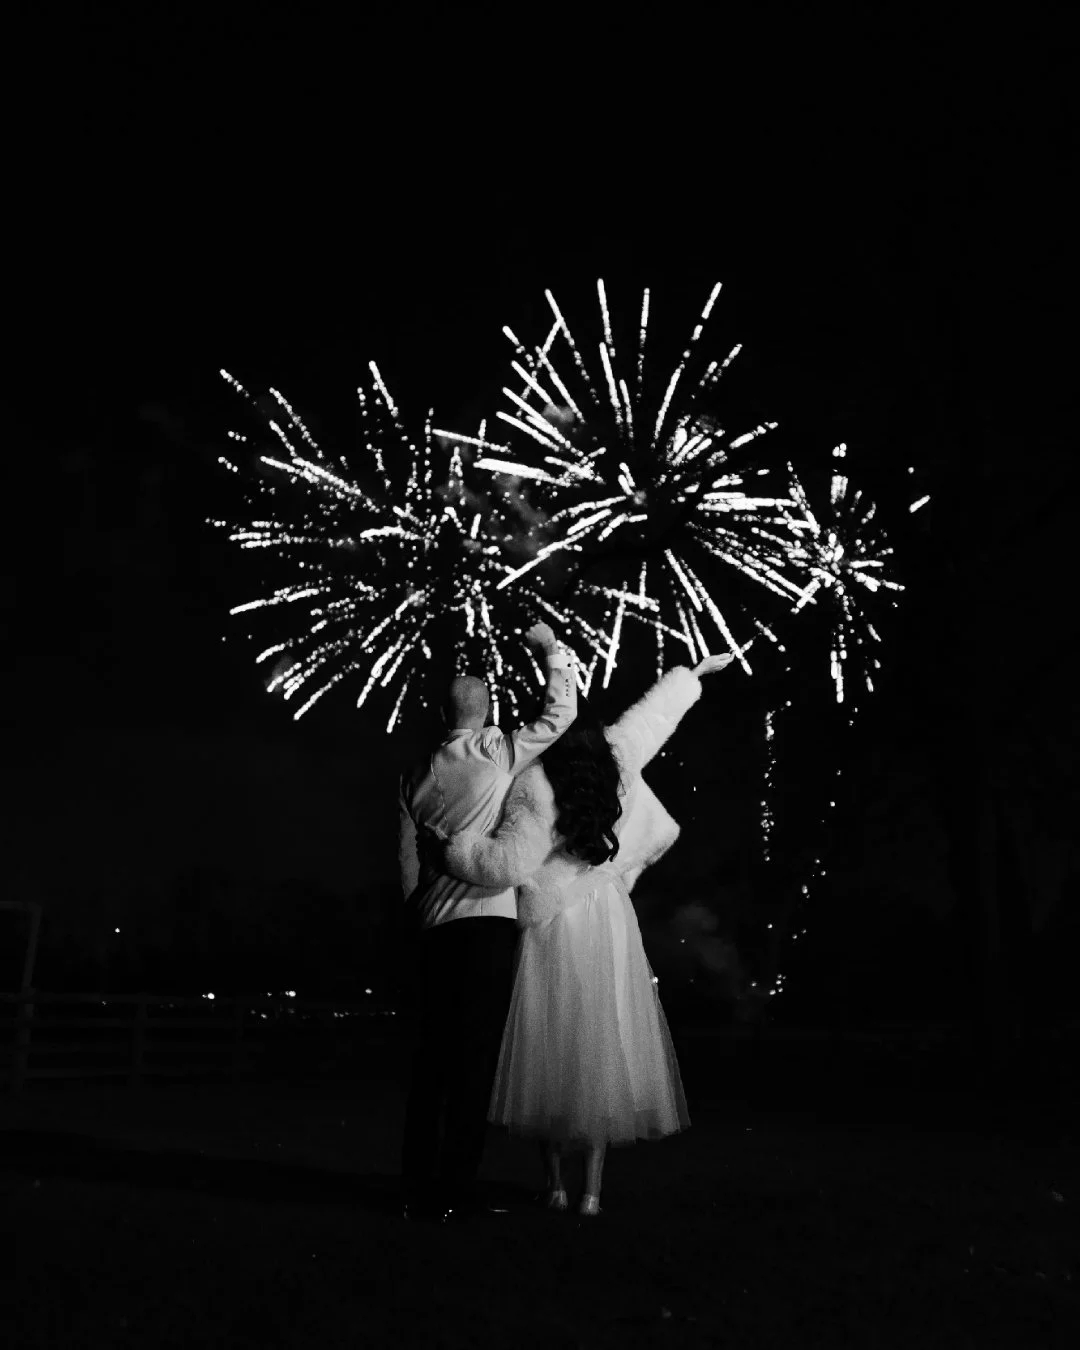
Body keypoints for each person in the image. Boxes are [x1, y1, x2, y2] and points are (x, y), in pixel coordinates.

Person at [440, 652, 736, 1216]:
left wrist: (456, 850)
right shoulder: (617, 761)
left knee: (550, 1047)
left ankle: (553, 1185)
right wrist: (690, 678)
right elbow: (652, 722)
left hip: (555, 919)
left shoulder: (533, 784)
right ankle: (592, 1193)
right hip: (606, 914)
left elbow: (506, 863)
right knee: (601, 1040)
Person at [397, 621, 576, 1221]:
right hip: (485, 927)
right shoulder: (496, 751)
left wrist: (416, 917)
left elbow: (404, 866)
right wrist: (549, 649)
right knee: (475, 1063)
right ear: (487, 709)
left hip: (432, 929)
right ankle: (454, 1191)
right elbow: (561, 712)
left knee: (429, 1062)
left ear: (442, 711)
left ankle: (414, 1184)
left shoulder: (413, 772)